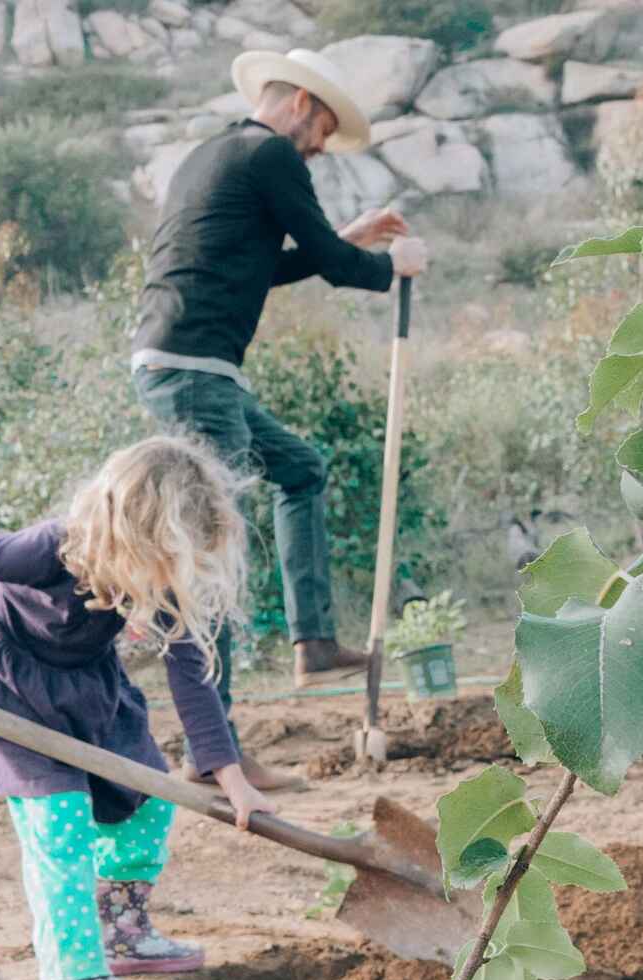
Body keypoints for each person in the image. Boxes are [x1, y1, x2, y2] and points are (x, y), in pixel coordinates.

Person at [0, 433, 267, 980]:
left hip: (89, 689)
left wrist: (232, 778)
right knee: (61, 824)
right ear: (136, 533)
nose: (173, 575)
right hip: (11, 692)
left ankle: (122, 929)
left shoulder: (152, 574)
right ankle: (70, 974)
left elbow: (191, 676)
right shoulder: (48, 549)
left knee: (150, 797)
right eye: (169, 558)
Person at [131, 46, 430, 780]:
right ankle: (214, 750)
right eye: (326, 126)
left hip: (192, 369)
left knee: (300, 469)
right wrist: (393, 266)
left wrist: (353, 240)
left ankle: (313, 643)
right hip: (195, 372)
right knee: (215, 549)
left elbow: (272, 264)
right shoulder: (271, 156)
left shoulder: (220, 152)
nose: (324, 144)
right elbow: (330, 264)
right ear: (300, 102)